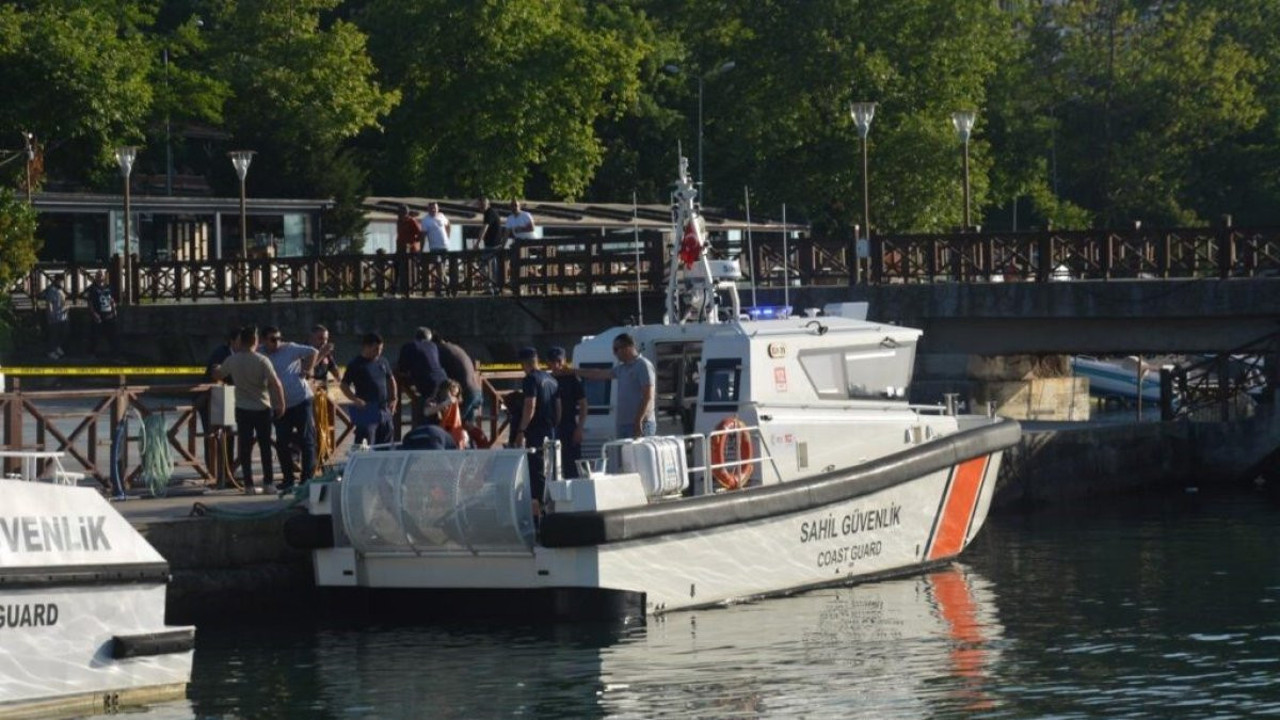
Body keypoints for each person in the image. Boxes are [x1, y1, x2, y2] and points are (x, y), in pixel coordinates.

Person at [213, 326, 286, 495]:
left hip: (242, 408)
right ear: (255, 340)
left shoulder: (233, 360)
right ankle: (269, 483)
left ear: (240, 341)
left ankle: (249, 485)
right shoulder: (262, 360)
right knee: (265, 446)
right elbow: (276, 383)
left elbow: (219, 375)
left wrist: (216, 368)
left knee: (245, 448)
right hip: (262, 407)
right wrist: (281, 403)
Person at [261, 326, 318, 492]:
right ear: (264, 340)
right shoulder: (260, 353)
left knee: (306, 440)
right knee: (282, 442)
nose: (277, 342)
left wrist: (306, 369)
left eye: (279, 338)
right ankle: (288, 479)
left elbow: (313, 351)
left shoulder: (290, 348)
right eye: (272, 339)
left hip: (301, 400)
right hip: (280, 404)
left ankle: (307, 478)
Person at [577, 332, 655, 439]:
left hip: (641, 423)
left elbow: (648, 397)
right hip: (623, 424)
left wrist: (638, 421)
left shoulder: (643, 365)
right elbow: (598, 374)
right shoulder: (622, 368)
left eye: (615, 349)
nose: (614, 353)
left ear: (627, 348)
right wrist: (572, 371)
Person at [514, 347, 557, 514]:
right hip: (550, 430)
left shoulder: (531, 379)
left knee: (537, 471)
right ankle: (551, 505)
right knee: (551, 468)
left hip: (535, 431)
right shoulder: (551, 379)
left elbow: (530, 405)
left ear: (524, 363)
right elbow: (558, 407)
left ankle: (540, 512)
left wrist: (521, 430)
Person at [341, 332, 398, 446]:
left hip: (384, 408)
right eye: (376, 349)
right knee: (365, 444)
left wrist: (394, 399)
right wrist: (355, 399)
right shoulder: (355, 364)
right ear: (366, 346)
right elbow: (344, 385)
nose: (379, 352)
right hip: (366, 409)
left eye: (381, 349)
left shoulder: (383, 361)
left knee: (386, 444)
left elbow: (391, 379)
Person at [395, 327, 448, 427]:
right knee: (439, 414)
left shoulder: (409, 346)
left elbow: (401, 369)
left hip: (428, 384)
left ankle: (424, 433)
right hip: (443, 380)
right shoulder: (433, 346)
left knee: (425, 415)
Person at [547, 346, 587, 478]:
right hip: (551, 426)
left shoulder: (573, 379)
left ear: (564, 360)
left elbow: (583, 405)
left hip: (569, 426)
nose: (556, 365)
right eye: (553, 361)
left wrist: (580, 428)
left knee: (572, 466)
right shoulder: (547, 380)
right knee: (552, 467)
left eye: (559, 361)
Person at [436, 337, 484, 424]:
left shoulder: (441, 350)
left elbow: (439, 371)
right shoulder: (455, 348)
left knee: (454, 424)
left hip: (467, 394)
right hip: (477, 390)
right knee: (468, 426)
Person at [420, 379, 468, 448]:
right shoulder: (433, 401)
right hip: (432, 434)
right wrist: (444, 404)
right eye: (451, 393)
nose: (453, 398)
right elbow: (426, 412)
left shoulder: (454, 406)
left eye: (455, 395)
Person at [475, 197, 506, 293]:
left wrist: (477, 243)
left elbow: (484, 228)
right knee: (489, 266)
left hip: (492, 245)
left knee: (485, 265)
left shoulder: (489, 213)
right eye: (480, 205)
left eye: (482, 205)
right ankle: (493, 287)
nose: (481, 207)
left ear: (487, 204)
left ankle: (491, 287)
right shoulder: (491, 212)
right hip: (492, 244)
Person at [86, 270, 119, 358]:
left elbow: (112, 300)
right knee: (95, 336)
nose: (100, 277)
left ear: (104, 277)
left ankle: (115, 353)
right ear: (96, 277)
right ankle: (91, 353)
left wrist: (114, 310)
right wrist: (94, 313)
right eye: (98, 275)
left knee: (112, 335)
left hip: (109, 314)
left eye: (102, 275)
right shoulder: (92, 288)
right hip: (99, 315)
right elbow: (90, 302)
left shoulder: (109, 287)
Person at [395, 204, 422, 295]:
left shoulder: (412, 221)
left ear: (406, 213)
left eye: (402, 212)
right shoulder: (399, 221)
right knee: (398, 268)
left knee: (410, 269)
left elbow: (420, 234)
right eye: (399, 212)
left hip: (410, 250)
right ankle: (399, 289)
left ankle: (411, 290)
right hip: (400, 249)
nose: (400, 214)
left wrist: (412, 243)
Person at [41, 276, 68, 360]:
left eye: (63, 282)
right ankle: (50, 351)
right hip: (55, 316)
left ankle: (56, 347)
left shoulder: (60, 290)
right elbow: (49, 304)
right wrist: (51, 315)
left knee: (62, 333)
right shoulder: (52, 290)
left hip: (62, 316)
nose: (62, 283)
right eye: (60, 281)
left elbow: (63, 302)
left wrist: (66, 308)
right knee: (53, 335)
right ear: (56, 281)